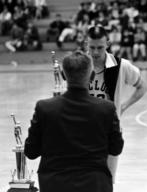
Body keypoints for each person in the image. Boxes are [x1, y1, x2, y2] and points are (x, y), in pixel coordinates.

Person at [24, 50, 124, 192]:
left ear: (63, 75)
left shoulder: (44, 108)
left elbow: (31, 151)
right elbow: (116, 148)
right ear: (92, 76)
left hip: (55, 185)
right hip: (95, 185)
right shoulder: (106, 109)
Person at [85, 25, 147, 182]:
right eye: (92, 47)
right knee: (84, 180)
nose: (96, 52)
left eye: (100, 47)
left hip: (109, 131)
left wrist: (124, 106)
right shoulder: (80, 64)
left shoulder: (121, 65)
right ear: (87, 44)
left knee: (107, 180)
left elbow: (142, 87)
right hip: (82, 130)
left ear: (107, 43)